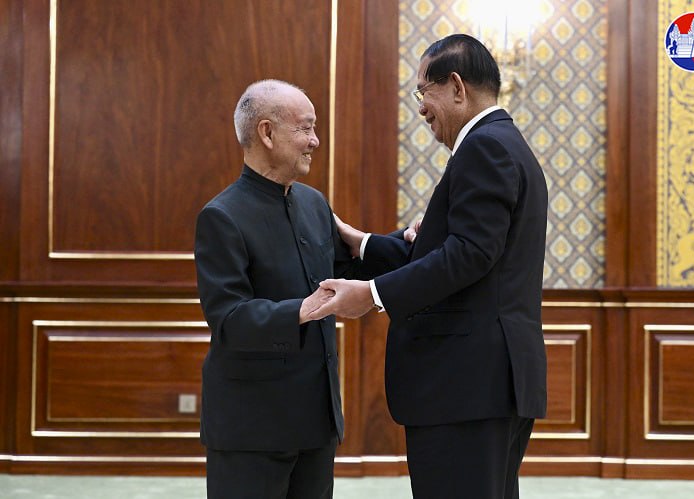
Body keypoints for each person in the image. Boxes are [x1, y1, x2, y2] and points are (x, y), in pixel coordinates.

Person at [311, 34, 549, 499]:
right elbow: (456, 251)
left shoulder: (484, 147)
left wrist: (373, 295)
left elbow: (469, 255)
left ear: (456, 87)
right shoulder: (505, 143)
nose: (420, 107)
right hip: (489, 383)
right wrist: (363, 244)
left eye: (423, 91)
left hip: (466, 386)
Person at [194, 80, 371, 499]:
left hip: (316, 422)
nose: (315, 140)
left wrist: (407, 240)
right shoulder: (221, 217)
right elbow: (228, 318)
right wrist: (300, 310)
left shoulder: (314, 203)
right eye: (305, 128)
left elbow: (343, 268)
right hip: (252, 429)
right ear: (267, 133)